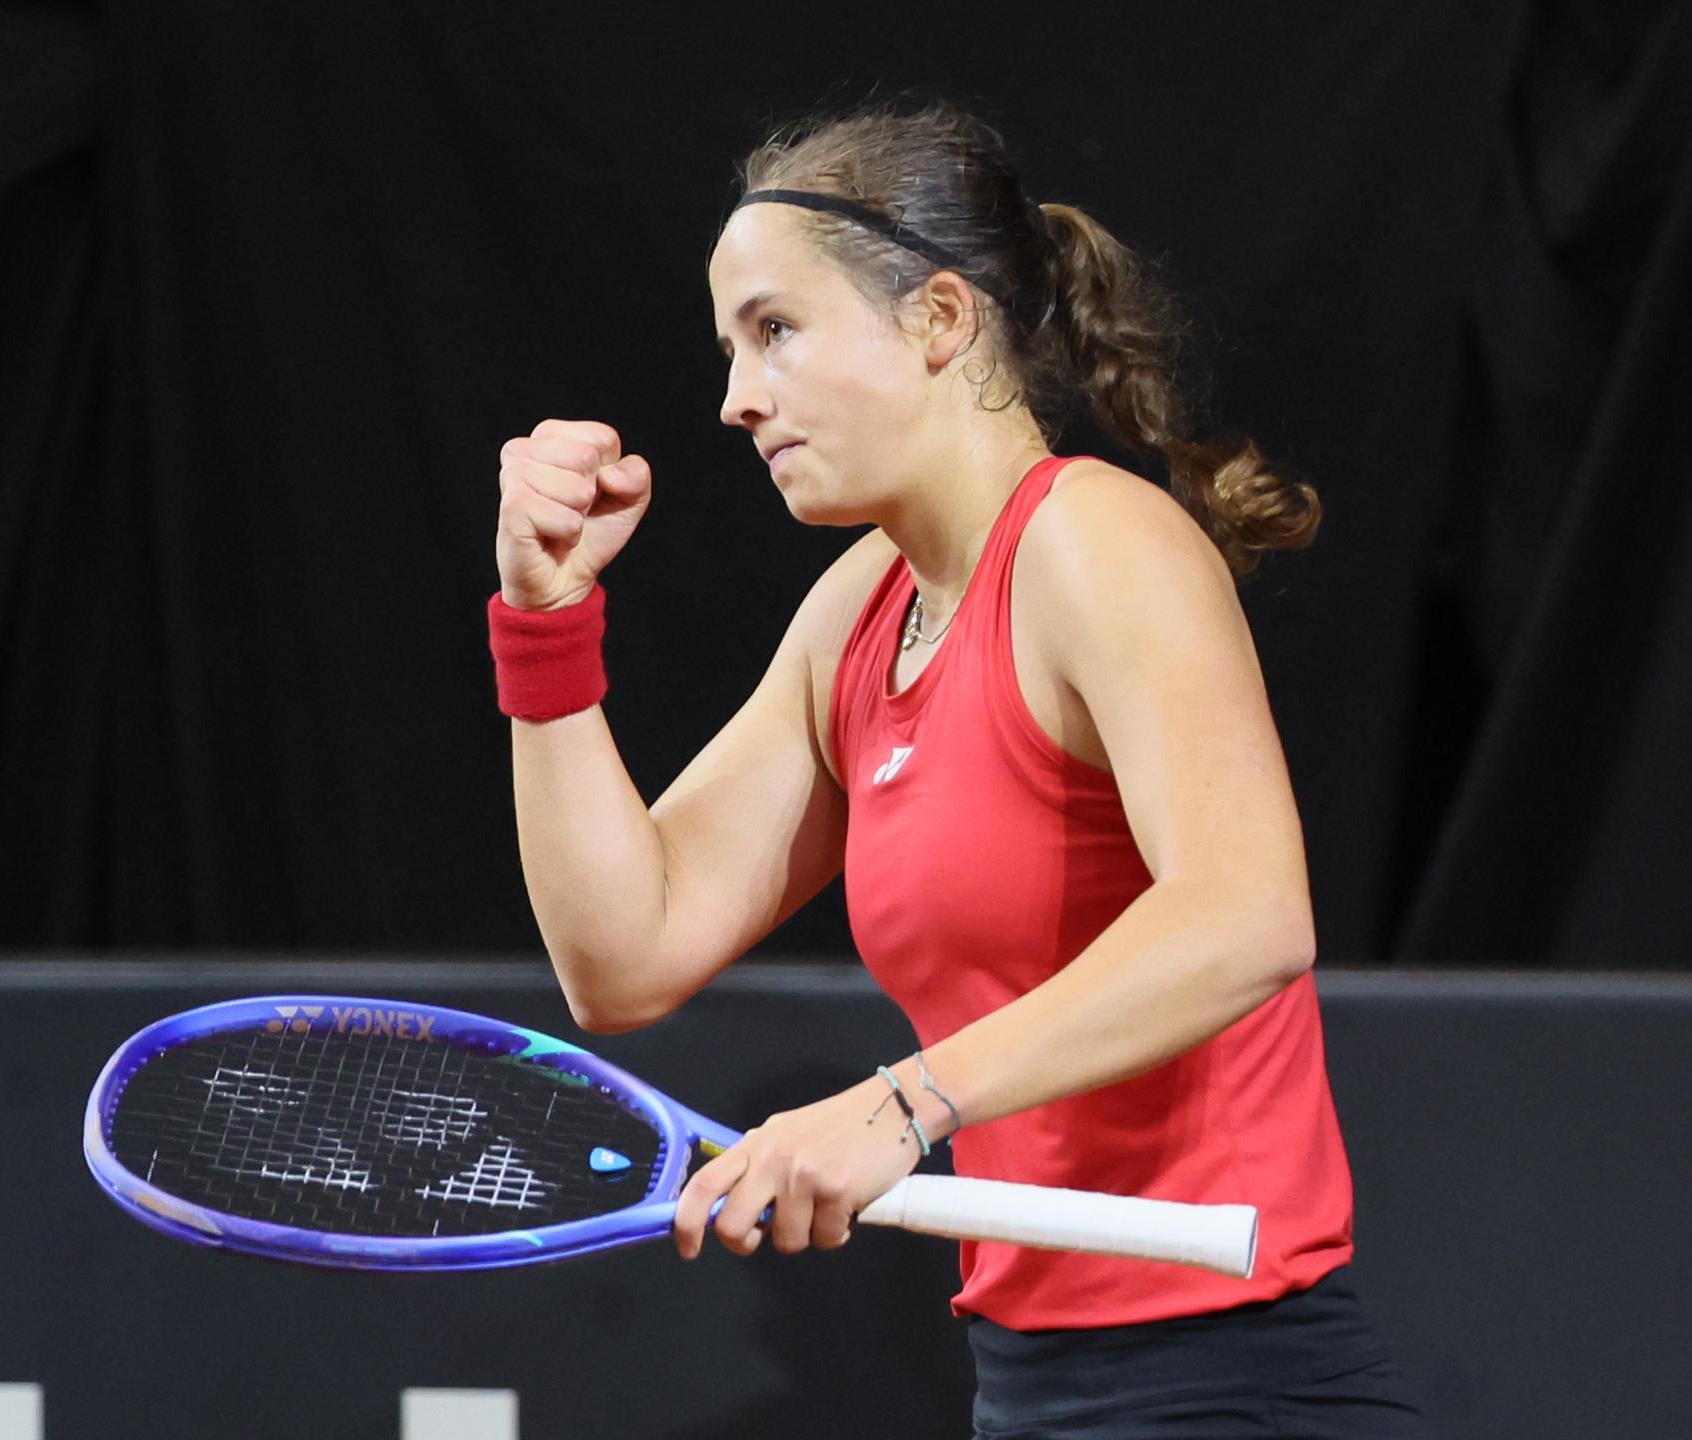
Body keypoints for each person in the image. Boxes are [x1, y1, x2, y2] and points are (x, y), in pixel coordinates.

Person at [488, 98, 1433, 1439]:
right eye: (729, 346)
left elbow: (1248, 914)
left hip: (1235, 1387)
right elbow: (622, 956)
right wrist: (544, 626)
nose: (735, 396)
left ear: (939, 320)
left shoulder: (1096, 544)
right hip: (1034, 1392)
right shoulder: (857, 615)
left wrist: (901, 1103)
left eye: (776, 330)